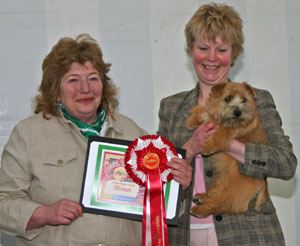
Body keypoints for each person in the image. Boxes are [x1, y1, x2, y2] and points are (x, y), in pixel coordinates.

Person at [157, 3, 297, 246]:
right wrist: (190, 148)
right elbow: (157, 179)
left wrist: (227, 143)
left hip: (248, 234)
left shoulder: (258, 99)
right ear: (191, 50)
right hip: (186, 234)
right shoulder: (171, 107)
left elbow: (286, 165)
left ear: (234, 54)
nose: (212, 58)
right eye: (203, 48)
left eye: (221, 49)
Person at [0, 34, 149, 245]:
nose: (85, 89)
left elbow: (158, 203)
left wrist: (178, 185)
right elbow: (3, 202)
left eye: (93, 78)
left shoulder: (133, 132)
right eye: (73, 80)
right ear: (56, 91)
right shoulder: (27, 134)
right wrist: (44, 213)